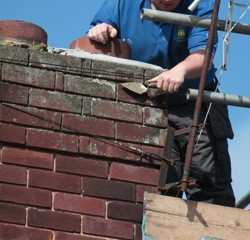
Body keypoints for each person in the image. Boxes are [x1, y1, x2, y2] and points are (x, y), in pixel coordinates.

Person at [87, 0, 235, 207]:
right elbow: (96, 31)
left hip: (194, 102)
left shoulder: (202, 3)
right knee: (159, 185)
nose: (167, 0)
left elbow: (204, 56)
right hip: (145, 102)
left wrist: (179, 71)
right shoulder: (122, 3)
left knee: (208, 183)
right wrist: (100, 30)